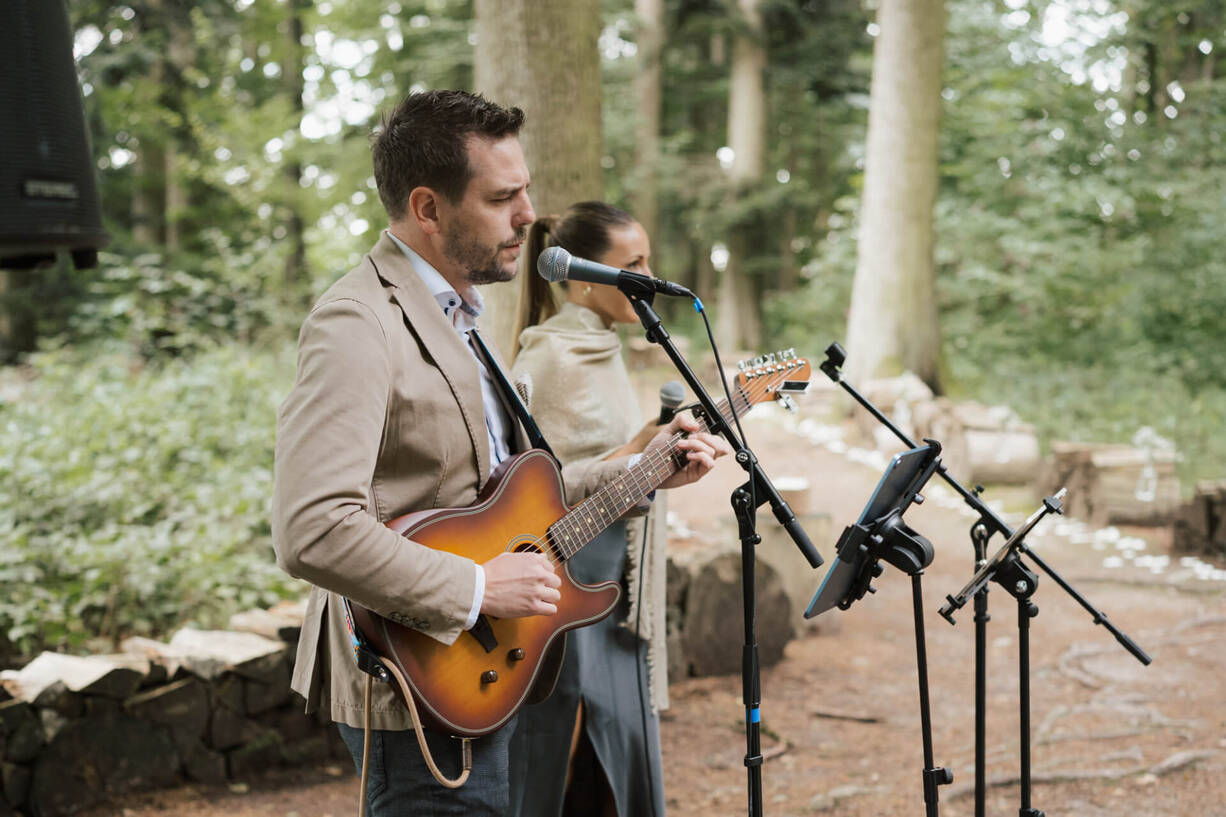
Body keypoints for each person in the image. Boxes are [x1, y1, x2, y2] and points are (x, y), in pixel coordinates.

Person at [271, 90, 730, 817]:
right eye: (502, 196)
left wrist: (640, 471)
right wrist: (478, 590)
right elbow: (313, 528)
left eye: (526, 191)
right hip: (411, 681)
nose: (527, 214)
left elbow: (501, 492)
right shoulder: (356, 323)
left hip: (485, 669)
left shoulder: (465, 316)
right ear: (428, 207)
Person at [508, 202, 674, 817]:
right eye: (632, 264)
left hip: (619, 579)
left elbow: (608, 453)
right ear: (583, 279)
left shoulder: (603, 345)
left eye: (648, 260)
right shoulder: (548, 358)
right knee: (562, 736)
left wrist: (654, 442)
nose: (648, 275)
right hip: (568, 582)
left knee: (619, 746)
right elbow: (531, 482)